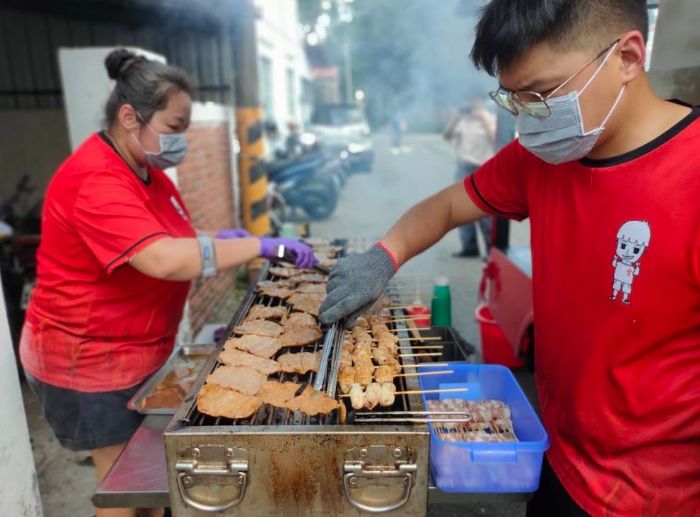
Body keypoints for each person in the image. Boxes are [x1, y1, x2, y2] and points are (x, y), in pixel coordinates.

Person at [319, 1, 699, 515]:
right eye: (515, 99)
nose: (528, 117)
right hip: (556, 461)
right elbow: (450, 204)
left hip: (658, 498)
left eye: (542, 94)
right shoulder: (543, 158)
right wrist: (385, 256)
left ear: (629, 56)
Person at [19, 49, 316, 517]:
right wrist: (263, 246)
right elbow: (161, 258)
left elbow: (172, 238)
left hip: (138, 351)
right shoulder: (95, 177)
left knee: (156, 483)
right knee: (123, 489)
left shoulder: (149, 173)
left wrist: (220, 240)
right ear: (129, 116)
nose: (182, 141)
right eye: (175, 127)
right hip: (87, 360)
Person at [443, 100, 496, 257]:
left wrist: (482, 118)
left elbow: (496, 139)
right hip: (463, 168)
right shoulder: (462, 120)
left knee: (485, 212)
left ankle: (491, 250)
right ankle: (470, 247)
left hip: (483, 169)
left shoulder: (490, 117)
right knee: (462, 211)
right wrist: (455, 118)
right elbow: (447, 136)